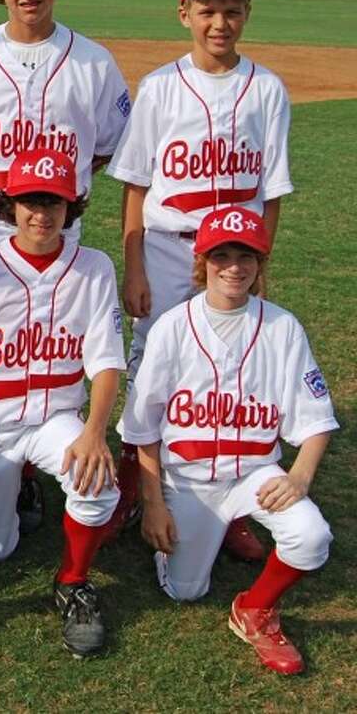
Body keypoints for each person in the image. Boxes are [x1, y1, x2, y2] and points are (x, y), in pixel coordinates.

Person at [0, 0, 131, 534]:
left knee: (53, 346)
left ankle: (28, 469)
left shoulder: (95, 63)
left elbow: (105, 149)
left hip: (58, 228)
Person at [105, 0, 292, 563]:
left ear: (247, 14)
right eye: (207, 9)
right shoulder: (160, 86)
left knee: (225, 371)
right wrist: (133, 266)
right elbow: (135, 185)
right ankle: (138, 480)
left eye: (232, 10)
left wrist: (260, 263)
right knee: (150, 365)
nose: (220, 21)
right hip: (166, 247)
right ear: (184, 13)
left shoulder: (267, 89)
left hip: (231, 259)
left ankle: (230, 502)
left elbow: (270, 193)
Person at [121, 208, 335, 675]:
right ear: (202, 263)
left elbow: (316, 419)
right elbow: (143, 429)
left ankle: (255, 608)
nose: (234, 267)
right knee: (185, 591)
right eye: (222, 255)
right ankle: (197, 534)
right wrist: (153, 503)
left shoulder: (282, 327)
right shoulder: (172, 327)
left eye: (246, 255)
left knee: (312, 537)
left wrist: (299, 475)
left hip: (256, 472)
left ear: (261, 265)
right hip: (189, 478)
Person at [0, 151, 123, 658]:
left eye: (54, 203)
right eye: (30, 202)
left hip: (55, 420)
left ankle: (73, 580)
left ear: (72, 207)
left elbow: (106, 362)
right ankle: (16, 487)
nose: (42, 214)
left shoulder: (94, 268)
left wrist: (95, 433)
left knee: (98, 486)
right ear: (10, 206)